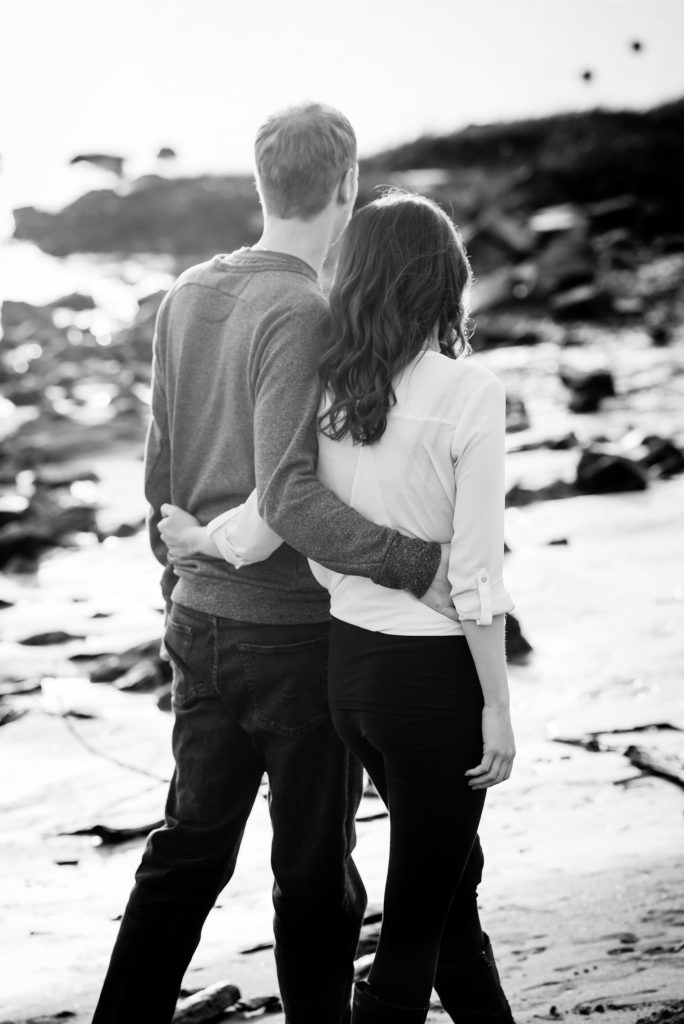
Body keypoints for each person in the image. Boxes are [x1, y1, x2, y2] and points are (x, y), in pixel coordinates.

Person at [91, 105, 451, 1024]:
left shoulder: (186, 293)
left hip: (201, 626)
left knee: (186, 855)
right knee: (312, 879)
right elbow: (290, 497)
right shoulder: (304, 309)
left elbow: (160, 466)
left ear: (260, 183)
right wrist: (417, 562)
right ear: (347, 185)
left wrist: (178, 588)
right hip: (291, 640)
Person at [160, 192, 517, 1024]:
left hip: (349, 682)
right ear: (448, 282)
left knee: (448, 895)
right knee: (411, 940)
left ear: (355, 278)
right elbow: (476, 578)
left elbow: (265, 516)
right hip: (435, 688)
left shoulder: (335, 392)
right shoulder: (472, 391)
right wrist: (497, 707)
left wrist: (198, 542)